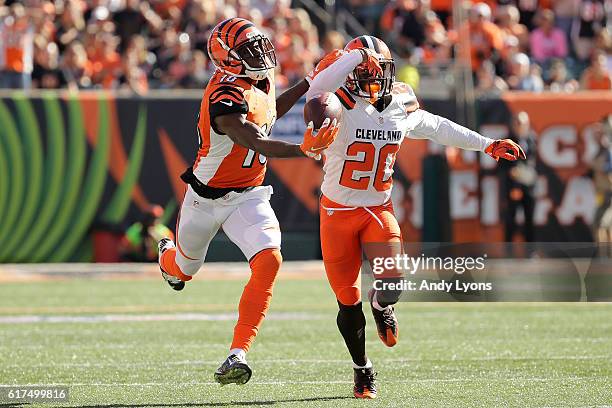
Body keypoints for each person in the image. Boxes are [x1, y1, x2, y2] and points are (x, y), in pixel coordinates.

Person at [304, 35, 525, 399]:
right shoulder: (334, 100)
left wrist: (486, 144)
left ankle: (380, 306)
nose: (371, 77)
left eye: (376, 69)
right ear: (349, 70)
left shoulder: (400, 102)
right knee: (346, 299)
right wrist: (357, 54)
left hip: (377, 208)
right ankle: (362, 369)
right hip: (337, 212)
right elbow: (316, 86)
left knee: (392, 285)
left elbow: (438, 127)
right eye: (362, 70)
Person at [156, 17, 338, 386]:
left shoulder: (260, 80)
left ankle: (237, 353)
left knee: (270, 259)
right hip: (204, 200)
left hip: (249, 194)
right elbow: (253, 138)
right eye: (249, 50)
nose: (260, 53)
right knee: (183, 271)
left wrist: (309, 81)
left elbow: (270, 111)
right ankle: (165, 254)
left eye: (259, 45)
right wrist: (305, 149)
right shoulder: (223, 96)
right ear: (228, 59)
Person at [500, 111, 537, 243]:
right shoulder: (508, 141)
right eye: (518, 123)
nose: (521, 126)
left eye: (523, 123)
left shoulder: (532, 139)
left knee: (529, 219)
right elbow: (502, 164)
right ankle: (508, 251)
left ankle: (530, 251)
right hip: (513, 186)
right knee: (511, 219)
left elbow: (533, 161)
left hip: (528, 186)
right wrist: (512, 172)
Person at [592, 115, 612, 254]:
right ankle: (605, 256)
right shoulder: (602, 149)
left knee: (600, 224)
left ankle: (604, 257)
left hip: (608, 192)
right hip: (603, 192)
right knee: (606, 225)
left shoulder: (608, 149)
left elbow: (608, 169)